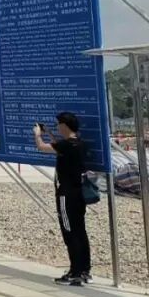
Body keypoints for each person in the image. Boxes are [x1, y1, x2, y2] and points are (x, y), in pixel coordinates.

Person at [35, 112, 92, 286]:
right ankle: (84, 270)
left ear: (64, 126)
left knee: (69, 233)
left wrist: (37, 134)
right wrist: (49, 133)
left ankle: (75, 272)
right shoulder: (78, 143)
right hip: (78, 194)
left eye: (58, 125)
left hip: (65, 195)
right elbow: (59, 146)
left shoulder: (66, 146)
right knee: (80, 231)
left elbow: (42, 147)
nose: (57, 128)